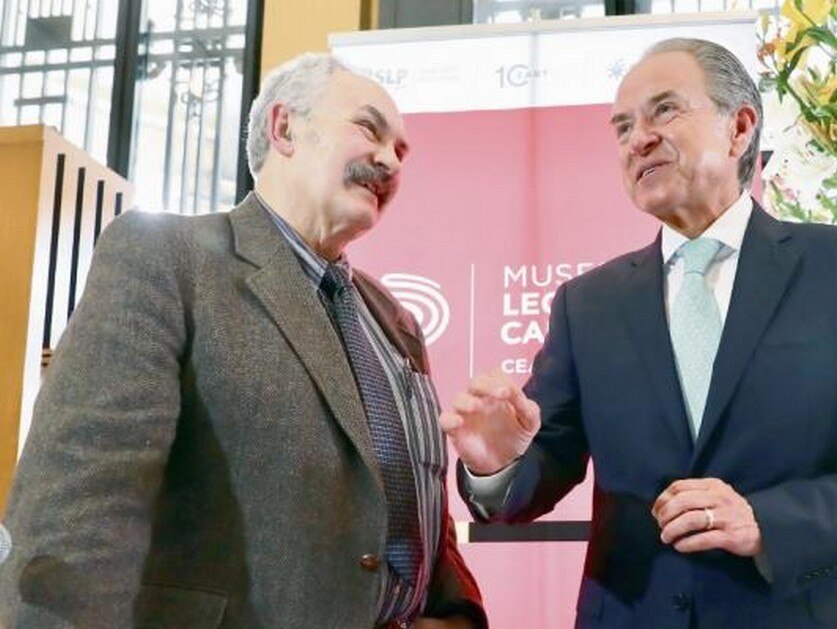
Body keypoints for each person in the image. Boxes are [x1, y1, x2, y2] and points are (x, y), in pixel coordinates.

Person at [442, 38, 837, 628]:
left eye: (664, 110)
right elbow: (540, 470)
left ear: (740, 127)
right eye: (622, 127)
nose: (638, 138)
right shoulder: (588, 304)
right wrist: (495, 467)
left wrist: (768, 522)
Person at [0, 53, 485, 629]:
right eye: (368, 129)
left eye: (401, 151)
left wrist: (453, 612)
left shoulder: (395, 320)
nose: (388, 160)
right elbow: (80, 507)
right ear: (284, 128)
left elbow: (412, 494)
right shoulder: (168, 259)